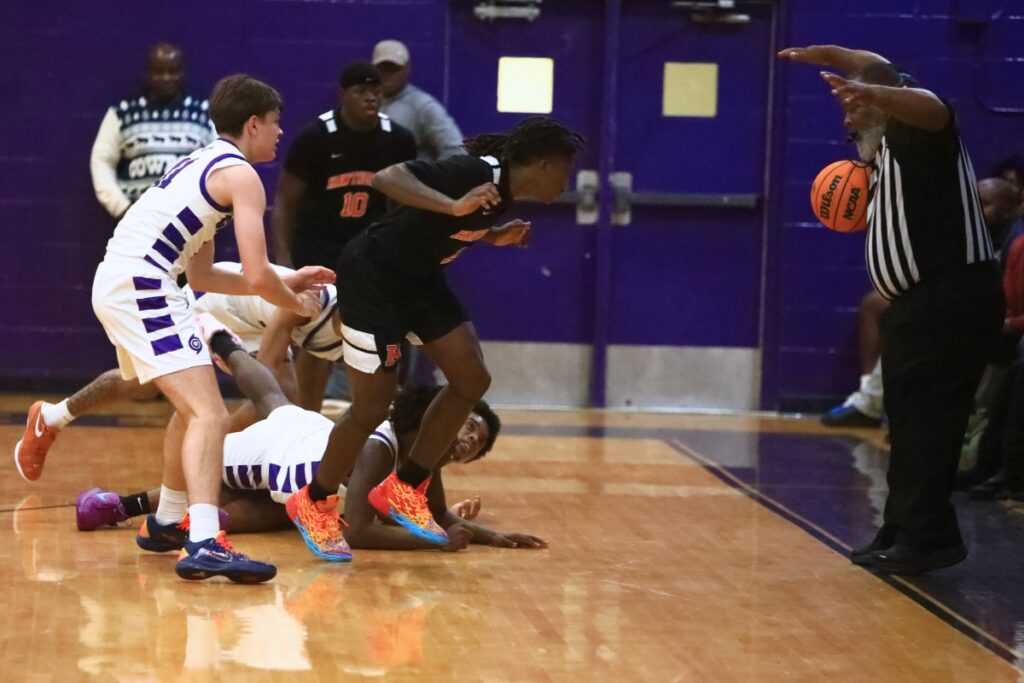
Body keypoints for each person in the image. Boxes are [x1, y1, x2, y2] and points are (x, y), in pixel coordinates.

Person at [20, 74, 336, 584]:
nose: (280, 134)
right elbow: (255, 276)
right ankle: (206, 541)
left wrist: (288, 277)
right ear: (253, 124)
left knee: (192, 410)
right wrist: (291, 299)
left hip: (133, 279)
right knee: (210, 414)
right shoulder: (243, 178)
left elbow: (205, 275)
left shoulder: (202, 163)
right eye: (275, 124)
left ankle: (167, 520)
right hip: (142, 284)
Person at [283, 116, 583, 559]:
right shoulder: (473, 171)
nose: (567, 181)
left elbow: (441, 224)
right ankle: (314, 501)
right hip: (375, 283)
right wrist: (453, 207)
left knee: (471, 380)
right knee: (369, 409)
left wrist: (490, 234)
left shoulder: (502, 193)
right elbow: (388, 178)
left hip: (420, 283)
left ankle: (406, 487)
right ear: (542, 164)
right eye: (565, 170)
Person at [778, 46, 1005, 574]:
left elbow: (931, 105)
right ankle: (904, 529)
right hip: (916, 306)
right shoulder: (880, 150)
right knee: (905, 426)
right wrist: (839, 58)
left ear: (885, 104)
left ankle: (928, 539)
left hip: (951, 300)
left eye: (856, 107)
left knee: (929, 425)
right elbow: (876, 63)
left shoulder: (918, 131)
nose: (849, 117)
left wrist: (877, 91)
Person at [75, 331, 546, 556]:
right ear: (436, 414)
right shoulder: (378, 447)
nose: (465, 438)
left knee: (274, 401)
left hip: (302, 451)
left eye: (476, 441)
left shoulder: (426, 456)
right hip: (279, 460)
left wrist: (494, 538)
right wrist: (437, 544)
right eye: (466, 425)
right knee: (206, 479)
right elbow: (358, 532)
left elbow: (438, 514)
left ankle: (223, 341)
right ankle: (116, 505)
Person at [11, 262, 342, 460]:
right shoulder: (317, 302)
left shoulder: (369, 333)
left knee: (287, 399)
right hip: (213, 302)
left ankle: (53, 415)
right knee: (144, 385)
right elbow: (267, 381)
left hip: (251, 318)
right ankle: (53, 416)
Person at [271, 61, 416, 411]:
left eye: (376, 92)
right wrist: (285, 261)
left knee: (376, 335)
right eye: (361, 91)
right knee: (315, 339)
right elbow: (285, 201)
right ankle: (308, 415)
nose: (371, 98)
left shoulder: (397, 139)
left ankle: (375, 416)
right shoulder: (316, 137)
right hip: (318, 248)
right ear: (343, 95)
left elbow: (405, 203)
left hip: (368, 252)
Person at [90, 43, 216, 221]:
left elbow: (222, 165)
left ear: (183, 73)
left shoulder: (205, 114)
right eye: (158, 72)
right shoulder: (122, 113)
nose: (166, 78)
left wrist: (207, 209)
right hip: (138, 225)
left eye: (173, 71)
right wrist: (122, 209)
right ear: (147, 74)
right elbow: (101, 160)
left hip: (192, 225)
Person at [372, 40, 465, 162]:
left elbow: (456, 149)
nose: (388, 75)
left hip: (407, 179)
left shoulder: (423, 106)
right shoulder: (365, 103)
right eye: (383, 69)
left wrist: (431, 177)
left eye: (394, 69)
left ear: (407, 69)